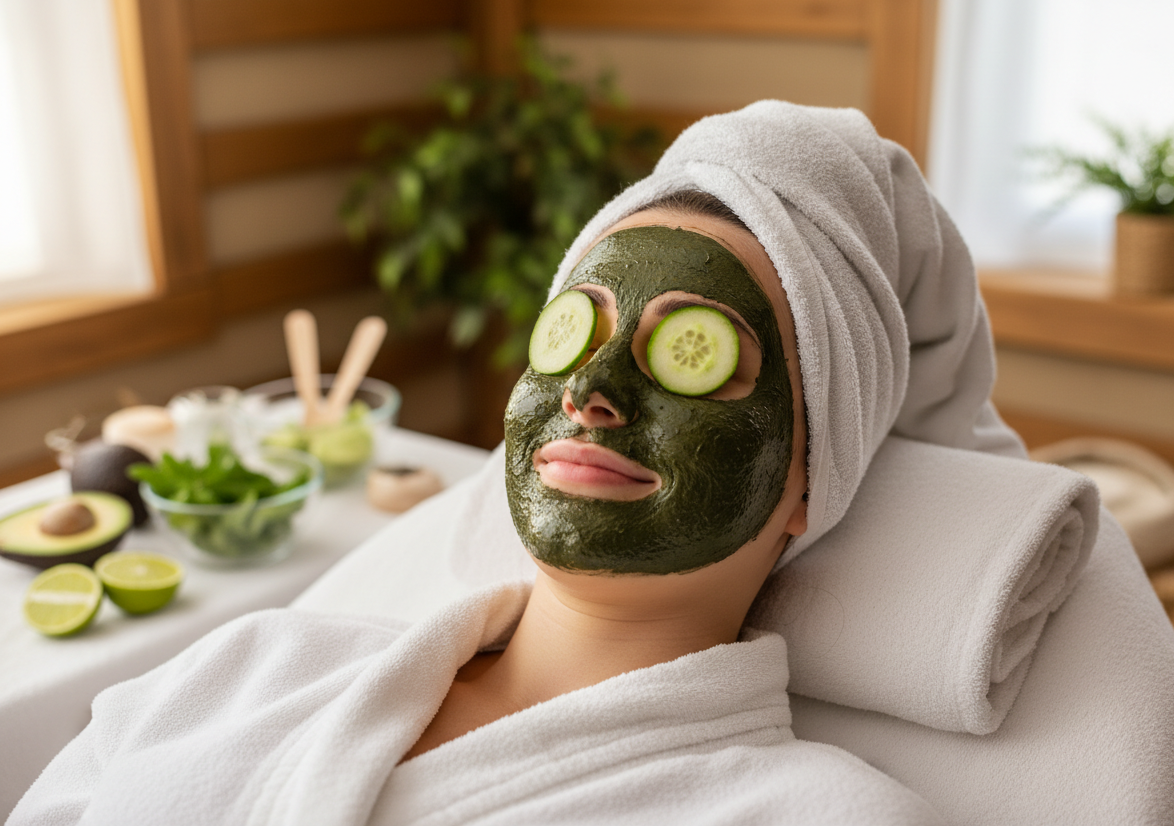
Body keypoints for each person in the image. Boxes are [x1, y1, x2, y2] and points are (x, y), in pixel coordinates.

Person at [10, 101, 1015, 824]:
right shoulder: (253, 664)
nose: (593, 390)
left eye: (693, 353)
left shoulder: (820, 815)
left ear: (810, 473)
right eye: (571, 333)